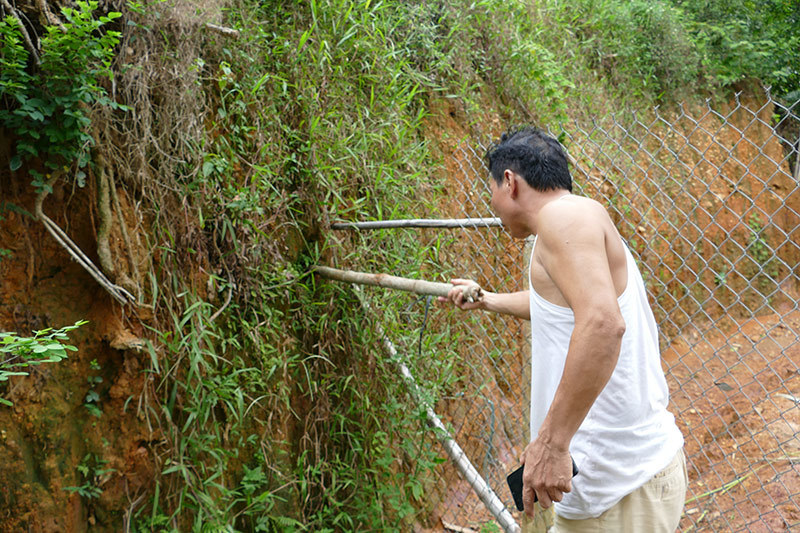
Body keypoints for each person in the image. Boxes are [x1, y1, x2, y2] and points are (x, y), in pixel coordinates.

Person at [439, 128, 687, 532]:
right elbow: (564, 308)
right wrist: (486, 299)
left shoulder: (564, 217)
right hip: (607, 483)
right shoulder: (568, 221)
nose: (493, 207)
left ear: (509, 181)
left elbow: (603, 324)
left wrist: (551, 443)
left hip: (619, 486)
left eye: (491, 190)